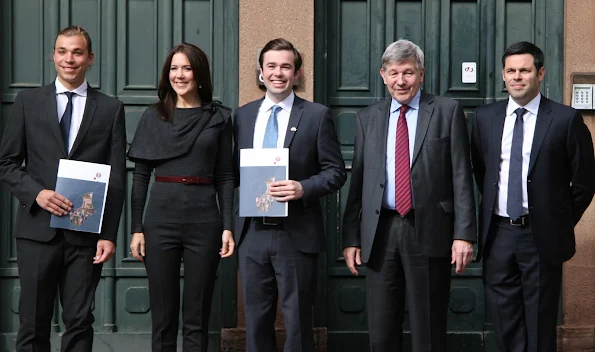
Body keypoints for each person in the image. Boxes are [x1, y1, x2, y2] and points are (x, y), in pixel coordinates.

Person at [342, 39, 477, 352]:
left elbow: (461, 176)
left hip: (428, 230)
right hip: (380, 232)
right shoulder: (367, 118)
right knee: (381, 329)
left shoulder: (447, 111)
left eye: (408, 73)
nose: (400, 81)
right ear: (382, 75)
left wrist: (464, 235)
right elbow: (358, 181)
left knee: (428, 328)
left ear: (421, 74)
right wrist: (351, 237)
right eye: (393, 73)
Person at [0, 25, 126, 351]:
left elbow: (115, 179)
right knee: (33, 322)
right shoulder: (27, 102)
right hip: (37, 232)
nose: (69, 59)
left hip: (85, 235)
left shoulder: (111, 109)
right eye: (62, 51)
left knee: (80, 323)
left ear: (90, 58)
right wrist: (36, 193)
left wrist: (109, 234)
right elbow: (7, 164)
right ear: (53, 55)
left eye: (77, 52)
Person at [470, 41, 595, 352]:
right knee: (504, 320)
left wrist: (557, 220)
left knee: (540, 320)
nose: (517, 76)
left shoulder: (566, 120)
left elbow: (584, 182)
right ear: (502, 75)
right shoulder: (484, 118)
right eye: (511, 71)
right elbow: (481, 171)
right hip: (498, 235)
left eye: (524, 70)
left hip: (541, 236)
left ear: (540, 73)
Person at [233, 38, 346, 351]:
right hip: (252, 231)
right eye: (271, 66)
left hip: (295, 232)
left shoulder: (316, 115)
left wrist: (302, 188)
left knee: (297, 322)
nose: (278, 72)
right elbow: (231, 173)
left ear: (297, 73)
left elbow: (335, 172)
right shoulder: (243, 116)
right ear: (260, 72)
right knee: (255, 320)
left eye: (286, 66)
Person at [127, 42, 235, 352]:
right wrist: (137, 228)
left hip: (205, 221)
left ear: (199, 74)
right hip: (160, 222)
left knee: (197, 315)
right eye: (174, 68)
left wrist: (227, 225)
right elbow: (141, 175)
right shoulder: (153, 117)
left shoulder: (219, 118)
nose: (180, 74)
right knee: (163, 315)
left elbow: (225, 175)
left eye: (187, 68)